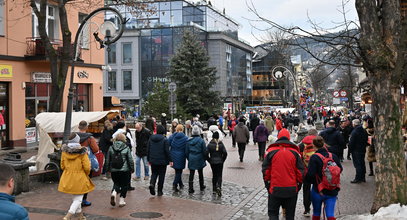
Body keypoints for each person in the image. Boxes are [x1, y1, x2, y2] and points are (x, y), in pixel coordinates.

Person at [262, 128, 304, 220]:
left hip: (275, 187)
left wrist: (267, 185)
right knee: (290, 215)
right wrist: (299, 185)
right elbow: (300, 172)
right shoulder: (295, 152)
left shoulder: (270, 151)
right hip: (291, 188)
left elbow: (266, 171)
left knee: (273, 213)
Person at [58, 133, 95, 220]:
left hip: (68, 177)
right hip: (80, 177)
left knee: (75, 198)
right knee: (78, 199)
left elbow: (62, 166)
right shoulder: (82, 152)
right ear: (78, 141)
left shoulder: (64, 152)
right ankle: (68, 216)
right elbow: (87, 167)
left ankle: (80, 216)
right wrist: (86, 174)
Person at [305, 136, 343, 220]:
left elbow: (310, 175)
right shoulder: (333, 156)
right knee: (330, 214)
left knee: (316, 213)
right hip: (332, 189)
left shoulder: (314, 157)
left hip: (318, 190)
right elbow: (340, 169)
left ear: (314, 145)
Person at [105, 133, 134, 207]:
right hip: (125, 170)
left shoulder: (111, 147)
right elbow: (130, 159)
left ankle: (114, 192)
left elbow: (107, 159)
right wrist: (132, 168)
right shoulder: (126, 147)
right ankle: (121, 200)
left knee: (116, 183)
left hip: (114, 169)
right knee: (124, 184)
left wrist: (107, 169)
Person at [77, 120, 99, 206]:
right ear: (86, 128)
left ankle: (77, 199)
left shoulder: (74, 137)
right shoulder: (90, 138)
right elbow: (96, 149)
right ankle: (83, 200)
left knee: (77, 181)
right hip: (86, 161)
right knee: (86, 180)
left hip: (76, 161)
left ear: (78, 127)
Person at [147, 125, 173, 196]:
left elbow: (148, 149)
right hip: (162, 161)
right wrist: (170, 160)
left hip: (153, 160)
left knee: (154, 173)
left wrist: (148, 159)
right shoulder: (165, 139)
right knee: (161, 176)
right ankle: (159, 191)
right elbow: (167, 151)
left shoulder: (151, 138)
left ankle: (152, 184)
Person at [298, 129, 318, 217]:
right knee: (318, 189)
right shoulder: (319, 143)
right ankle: (317, 209)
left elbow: (299, 158)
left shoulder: (302, 144)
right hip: (318, 171)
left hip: (305, 171)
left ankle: (307, 209)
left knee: (306, 190)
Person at [185, 125, 207, 193]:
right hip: (199, 157)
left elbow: (186, 152)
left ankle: (190, 188)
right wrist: (204, 158)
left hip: (191, 157)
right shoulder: (201, 141)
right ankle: (201, 185)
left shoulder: (188, 141)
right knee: (200, 172)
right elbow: (204, 151)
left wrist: (189, 158)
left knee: (191, 173)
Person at [205, 131, 227, 196]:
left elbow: (206, 153)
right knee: (219, 175)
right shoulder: (221, 144)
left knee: (214, 175)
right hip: (220, 161)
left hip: (213, 162)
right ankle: (219, 186)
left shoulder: (210, 144)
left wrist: (209, 160)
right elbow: (225, 153)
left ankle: (214, 189)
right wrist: (223, 159)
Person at [168, 124, 188, 192]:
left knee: (177, 170)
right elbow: (187, 148)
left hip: (173, 154)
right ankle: (175, 184)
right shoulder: (185, 138)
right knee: (179, 171)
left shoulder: (172, 136)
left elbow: (168, 143)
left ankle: (181, 184)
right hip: (181, 155)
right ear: (182, 129)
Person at [349, 119, 368, 183]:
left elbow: (351, 142)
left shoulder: (354, 132)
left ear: (354, 124)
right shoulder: (363, 130)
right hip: (362, 149)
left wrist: (350, 150)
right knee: (362, 163)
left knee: (358, 165)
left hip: (356, 150)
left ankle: (358, 178)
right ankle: (363, 177)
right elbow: (366, 139)